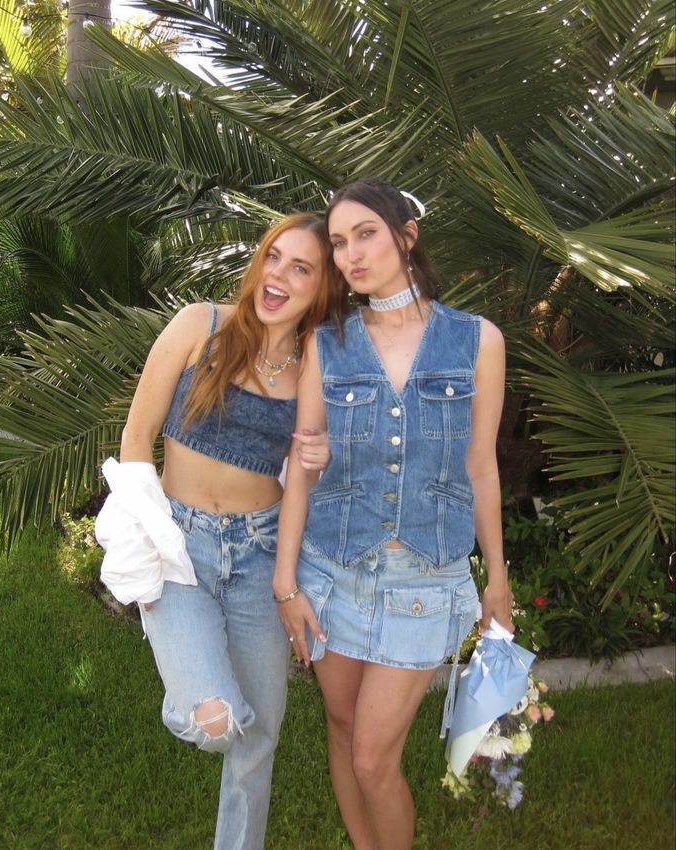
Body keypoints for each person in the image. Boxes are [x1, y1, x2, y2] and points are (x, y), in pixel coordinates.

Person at [272, 179, 514, 850]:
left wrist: (496, 579)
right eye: (339, 242)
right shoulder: (329, 342)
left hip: (424, 579)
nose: (350, 254)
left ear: (407, 235)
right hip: (333, 567)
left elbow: (481, 466)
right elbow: (303, 461)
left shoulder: (477, 340)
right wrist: (285, 581)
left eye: (366, 234)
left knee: (374, 759)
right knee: (344, 731)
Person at [95, 213, 337, 850]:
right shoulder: (199, 326)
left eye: (301, 267)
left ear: (322, 288)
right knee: (220, 723)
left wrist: (320, 458)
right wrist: (145, 540)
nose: (278, 275)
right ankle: (190, 694)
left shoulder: (315, 363)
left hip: (259, 556)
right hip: (180, 550)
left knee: (258, 743)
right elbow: (135, 440)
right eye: (274, 257)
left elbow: (315, 470)